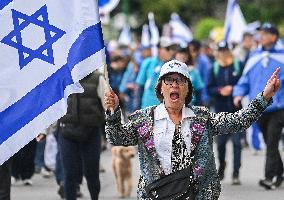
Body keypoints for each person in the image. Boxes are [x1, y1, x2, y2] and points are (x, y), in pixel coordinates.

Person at [105, 59, 280, 199]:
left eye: (180, 80)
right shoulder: (144, 119)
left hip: (199, 194)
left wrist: (264, 97)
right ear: (160, 88)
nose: (174, 85)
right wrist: (112, 112)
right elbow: (117, 138)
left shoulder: (203, 118)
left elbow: (239, 121)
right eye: (169, 80)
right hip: (156, 194)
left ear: (188, 89)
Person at [233, 22, 284, 190]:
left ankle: (269, 178)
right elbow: (245, 79)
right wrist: (238, 93)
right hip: (260, 107)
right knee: (271, 143)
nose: (260, 36)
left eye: (265, 33)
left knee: (271, 141)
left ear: (274, 36)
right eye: (260, 33)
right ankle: (280, 172)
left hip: (279, 107)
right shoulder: (254, 56)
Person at [58, 69, 106, 200]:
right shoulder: (62, 78)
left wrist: (116, 128)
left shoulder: (98, 78)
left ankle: (94, 197)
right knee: (69, 174)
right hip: (67, 131)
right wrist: (43, 131)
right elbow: (52, 107)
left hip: (91, 131)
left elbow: (108, 106)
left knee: (92, 173)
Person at [207, 41, 243, 185]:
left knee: (237, 144)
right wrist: (219, 91)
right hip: (220, 113)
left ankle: (236, 173)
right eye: (220, 51)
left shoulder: (238, 66)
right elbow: (209, 88)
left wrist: (233, 89)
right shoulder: (214, 68)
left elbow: (243, 83)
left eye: (225, 50)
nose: (223, 53)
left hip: (237, 112)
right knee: (221, 144)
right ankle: (222, 166)